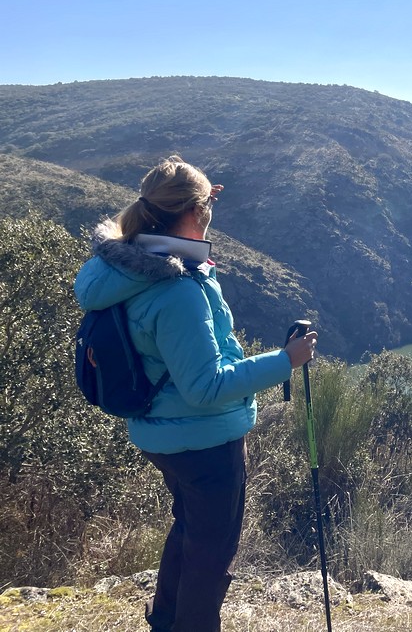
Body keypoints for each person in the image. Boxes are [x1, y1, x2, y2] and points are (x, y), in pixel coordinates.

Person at [74, 155, 317, 632]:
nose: (210, 214)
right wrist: (286, 360)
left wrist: (200, 203)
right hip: (204, 440)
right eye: (206, 207)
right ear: (190, 212)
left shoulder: (126, 270)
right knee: (212, 554)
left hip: (160, 432)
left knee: (189, 531)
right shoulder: (177, 291)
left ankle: (165, 621)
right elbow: (207, 388)